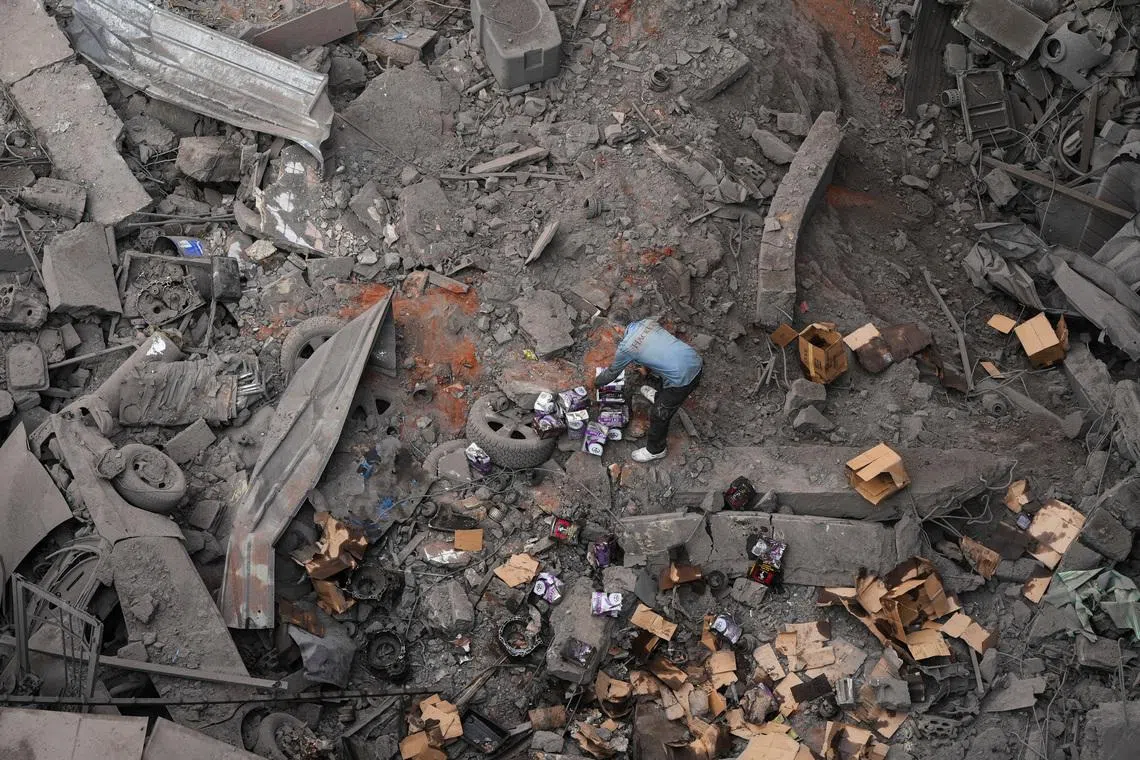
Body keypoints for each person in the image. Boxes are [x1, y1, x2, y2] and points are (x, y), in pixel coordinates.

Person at [594, 316, 702, 462]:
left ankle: (656, 450)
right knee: (665, 372)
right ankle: (659, 397)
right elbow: (655, 347)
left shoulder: (626, 348)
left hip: (683, 379)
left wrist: (596, 383)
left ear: (617, 328)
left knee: (659, 415)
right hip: (694, 359)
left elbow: (612, 373)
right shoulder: (647, 322)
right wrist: (646, 369)